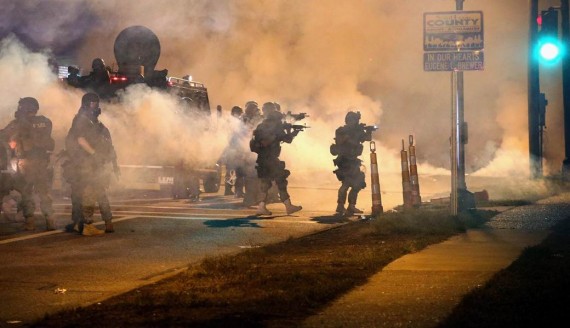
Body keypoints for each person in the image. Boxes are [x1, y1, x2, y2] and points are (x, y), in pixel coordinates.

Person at [63, 92, 119, 236]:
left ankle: (96, 224)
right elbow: (81, 140)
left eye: (97, 103)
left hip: (92, 164)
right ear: (87, 104)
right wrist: (95, 155)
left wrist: (110, 162)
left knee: (95, 192)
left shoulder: (94, 122)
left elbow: (106, 145)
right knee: (89, 193)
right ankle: (88, 224)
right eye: (94, 103)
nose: (97, 106)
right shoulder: (83, 120)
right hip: (86, 163)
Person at [0, 97, 56, 231]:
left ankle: (30, 221)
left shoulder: (18, 123)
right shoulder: (46, 122)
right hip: (43, 163)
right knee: (44, 193)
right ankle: (50, 220)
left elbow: (4, 136)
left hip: (25, 163)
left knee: (26, 193)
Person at [250, 107, 302, 216]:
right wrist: (293, 132)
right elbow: (288, 139)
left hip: (261, 159)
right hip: (272, 159)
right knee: (281, 181)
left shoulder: (261, 127)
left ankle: (261, 207)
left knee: (265, 184)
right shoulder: (276, 128)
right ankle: (288, 206)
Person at [331, 111, 373, 216]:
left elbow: (367, 139)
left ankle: (351, 206)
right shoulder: (341, 131)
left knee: (358, 183)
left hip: (353, 160)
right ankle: (340, 206)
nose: (353, 122)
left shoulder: (357, 131)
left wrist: (369, 131)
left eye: (355, 120)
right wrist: (354, 134)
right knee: (346, 183)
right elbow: (341, 141)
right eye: (352, 120)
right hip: (344, 160)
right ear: (347, 120)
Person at [221, 105, 246, 197]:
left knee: (230, 171)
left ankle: (229, 190)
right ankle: (237, 191)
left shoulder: (228, 122)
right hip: (234, 149)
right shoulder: (236, 122)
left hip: (230, 150)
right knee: (238, 171)